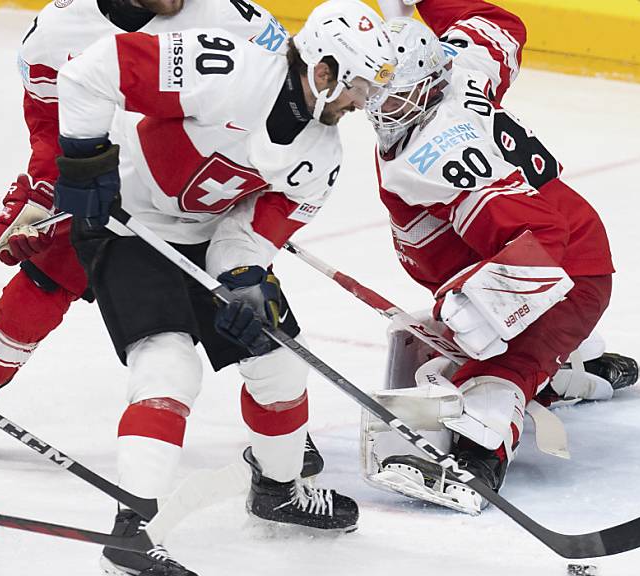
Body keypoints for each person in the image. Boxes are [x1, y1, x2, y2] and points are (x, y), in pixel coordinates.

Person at [0, 0, 321, 474]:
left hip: (206, 201)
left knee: (248, 310)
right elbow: (48, 127)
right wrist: (41, 190)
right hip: (106, 187)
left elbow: (292, 98)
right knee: (40, 282)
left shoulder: (233, 16)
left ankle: (281, 436)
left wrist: (263, 184)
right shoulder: (56, 32)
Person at [52, 0, 394, 573]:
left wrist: (242, 280)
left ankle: (277, 490)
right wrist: (84, 161)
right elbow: (90, 72)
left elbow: (252, 230)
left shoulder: (322, 155)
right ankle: (132, 525)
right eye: (359, 85)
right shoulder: (227, 67)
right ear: (324, 69)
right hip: (130, 223)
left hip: (208, 237)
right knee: (168, 367)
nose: (364, 103)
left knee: (279, 359)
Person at [361, 0, 636, 515]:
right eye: (376, 89)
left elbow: (543, 236)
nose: (379, 106)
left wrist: (477, 309)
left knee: (493, 373)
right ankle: (577, 367)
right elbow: (501, 27)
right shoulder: (459, 64)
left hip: (563, 272)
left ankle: (477, 459)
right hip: (556, 248)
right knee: (465, 343)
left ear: (426, 86)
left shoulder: (437, 152)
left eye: (394, 95)